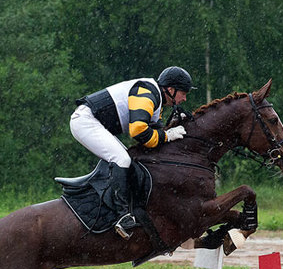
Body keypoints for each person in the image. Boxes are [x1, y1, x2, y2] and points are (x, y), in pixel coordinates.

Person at [70, 66, 195, 239]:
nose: (185, 98)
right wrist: (167, 135)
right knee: (121, 159)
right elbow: (139, 132)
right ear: (171, 89)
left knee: (130, 160)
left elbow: (154, 136)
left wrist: (170, 129)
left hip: (93, 122)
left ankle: (122, 208)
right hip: (85, 121)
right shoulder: (146, 91)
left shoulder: (155, 100)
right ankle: (121, 216)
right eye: (183, 93)